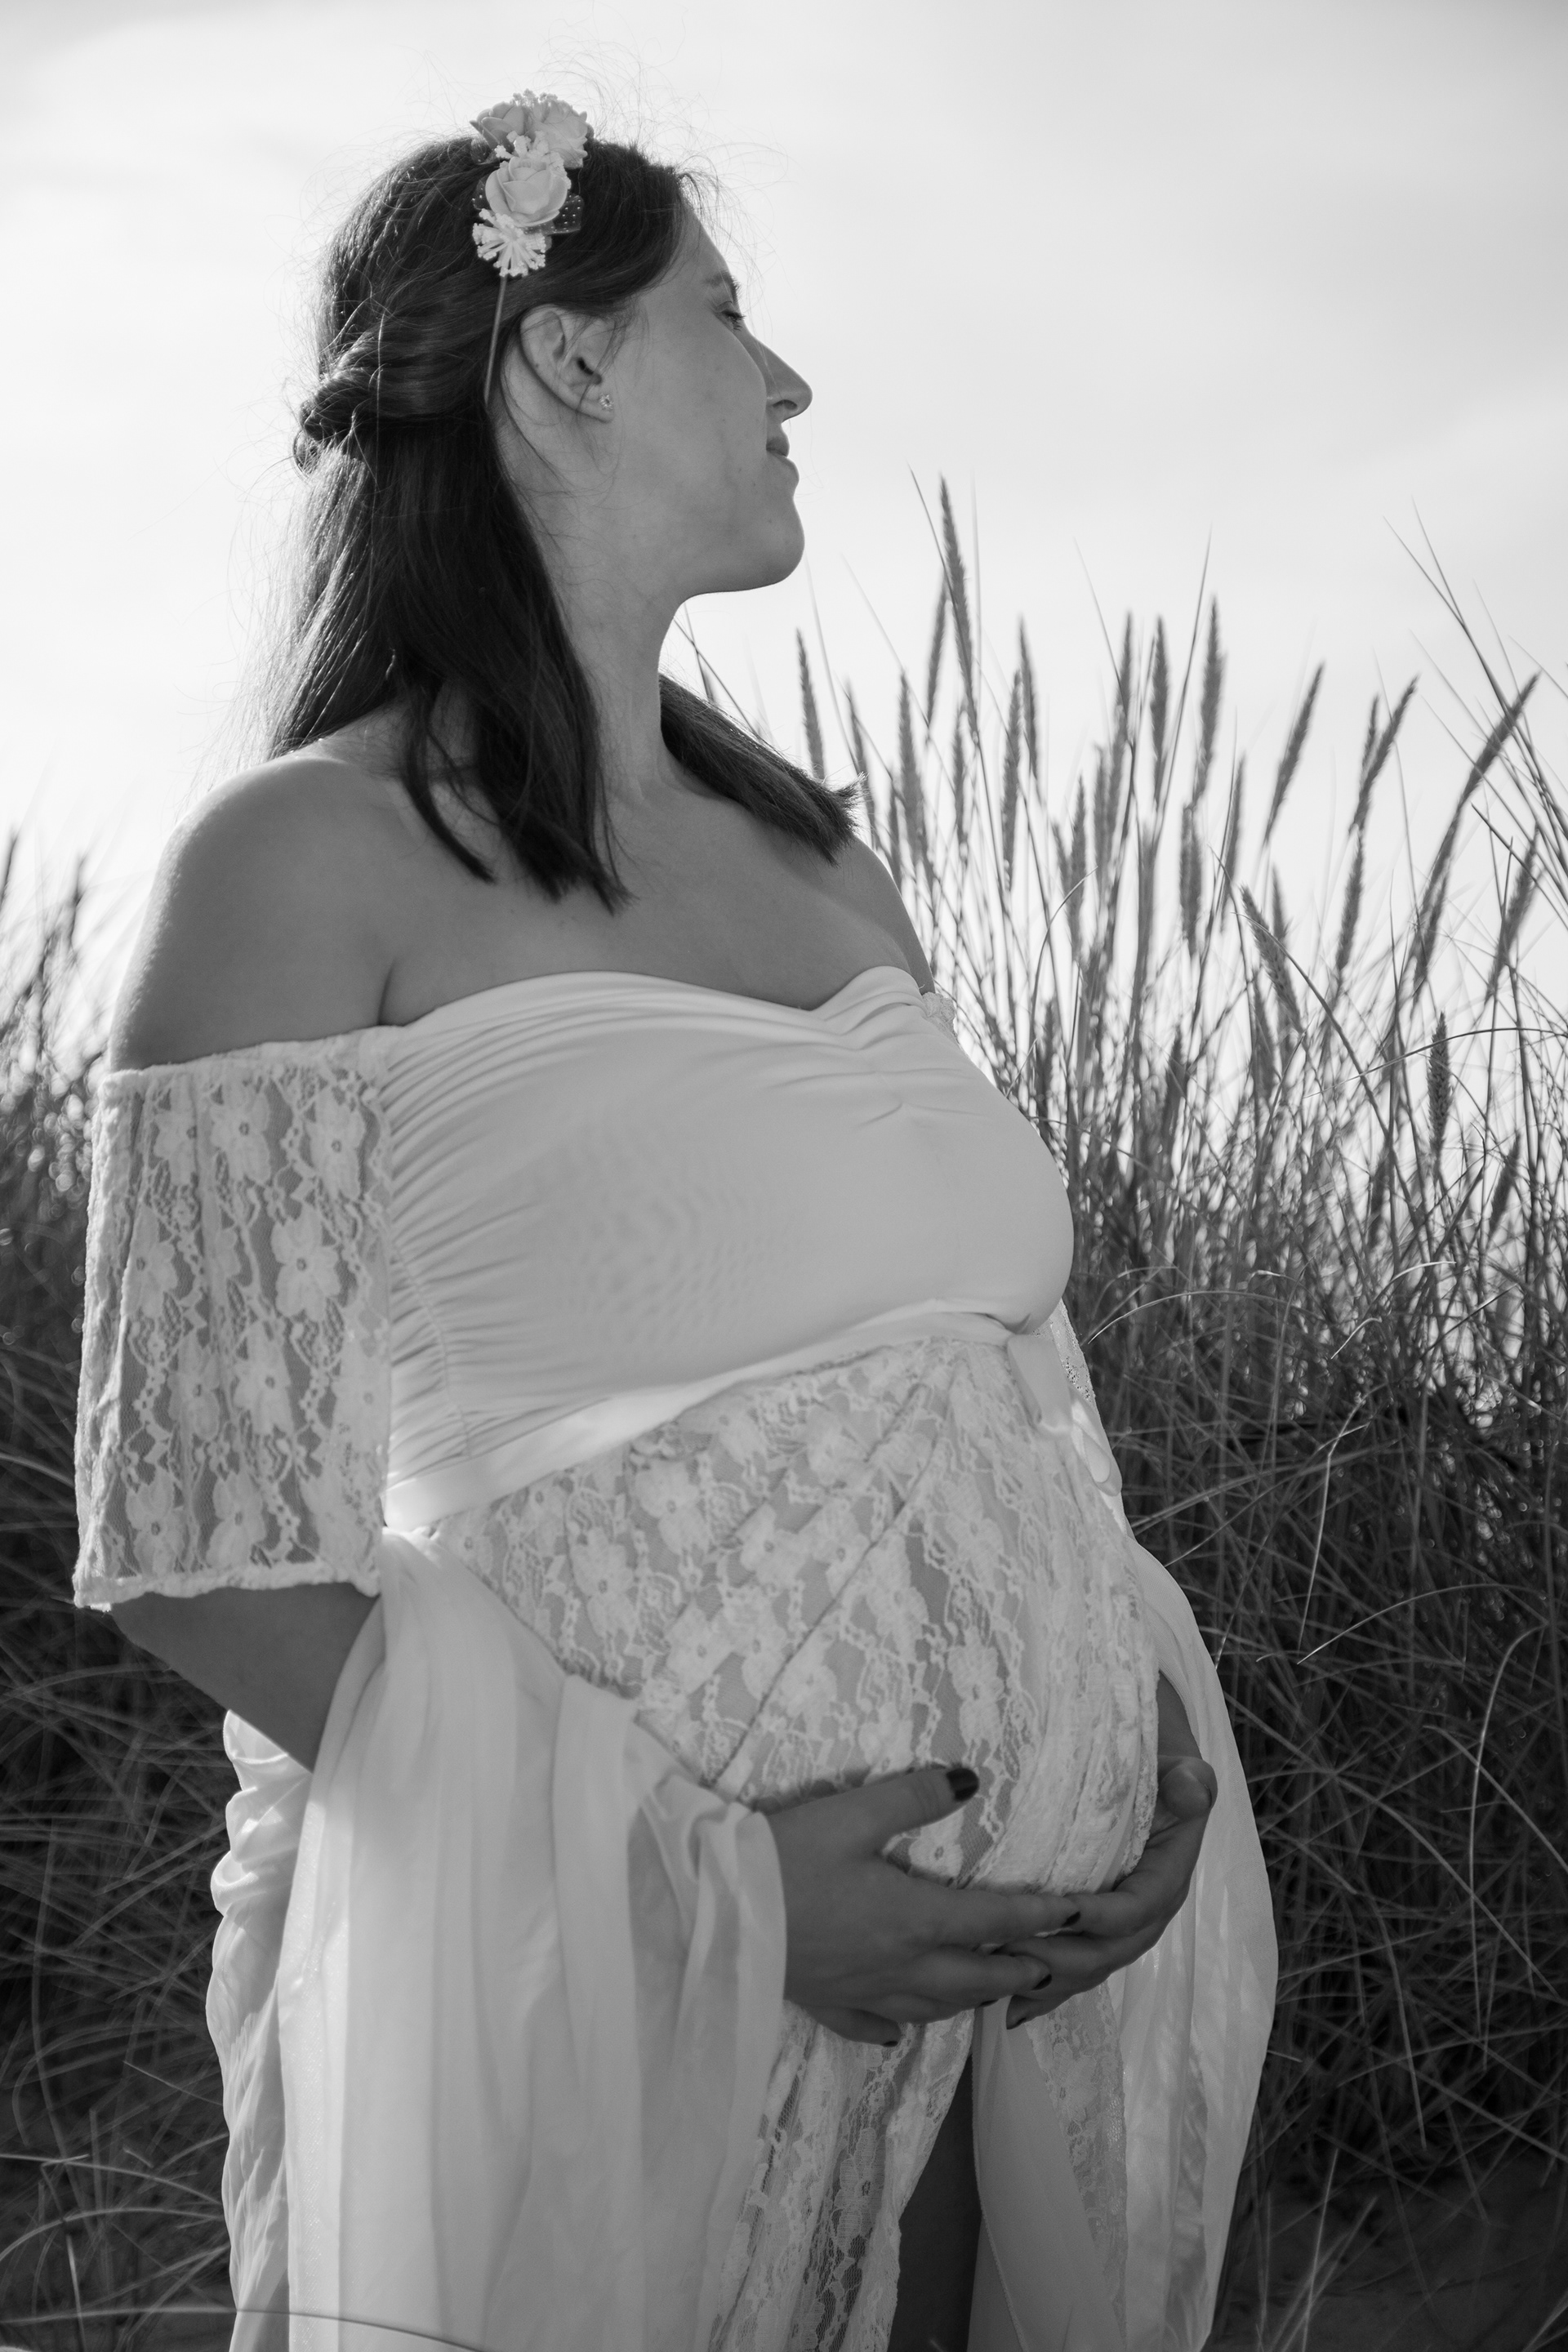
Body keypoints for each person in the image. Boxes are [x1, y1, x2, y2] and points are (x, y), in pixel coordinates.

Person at [72, 94, 1276, 2352]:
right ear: (570, 363)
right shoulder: (299, 863)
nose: (791, 378)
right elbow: (200, 1550)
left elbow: (992, 1383)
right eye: (728, 313)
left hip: (1013, 2003)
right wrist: (710, 1902)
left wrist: (1135, 1723)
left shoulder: (824, 861)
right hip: (615, 2013)